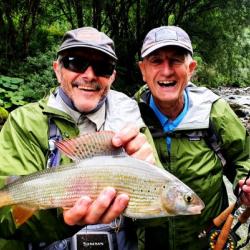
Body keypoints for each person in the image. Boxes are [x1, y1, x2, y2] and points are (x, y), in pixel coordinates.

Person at [0, 27, 157, 249]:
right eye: (75, 62)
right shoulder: (24, 123)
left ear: (112, 76)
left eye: (102, 67)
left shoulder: (131, 120)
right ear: (57, 69)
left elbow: (161, 214)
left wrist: (147, 177)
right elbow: (5, 218)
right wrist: (61, 216)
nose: (89, 75)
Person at [134, 26, 250, 249]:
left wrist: (244, 186)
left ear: (191, 68)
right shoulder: (128, 114)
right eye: (156, 61)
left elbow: (243, 159)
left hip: (207, 240)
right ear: (143, 70)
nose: (166, 71)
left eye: (176, 60)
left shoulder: (215, 112)